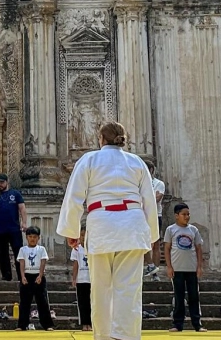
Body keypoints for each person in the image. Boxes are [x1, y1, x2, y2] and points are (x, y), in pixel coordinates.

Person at [56, 121, 158, 340]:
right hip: (132, 225)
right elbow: (149, 201)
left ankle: (103, 336)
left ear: (100, 139)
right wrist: (151, 236)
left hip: (102, 224)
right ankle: (127, 336)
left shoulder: (90, 160)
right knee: (129, 289)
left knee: (101, 288)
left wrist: (72, 231)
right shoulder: (136, 162)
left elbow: (74, 197)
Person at [164, 204, 207, 333]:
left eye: (188, 214)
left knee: (194, 296)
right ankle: (178, 324)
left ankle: (197, 324)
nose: (187, 217)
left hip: (191, 268)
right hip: (177, 268)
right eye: (184, 214)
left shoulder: (193, 230)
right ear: (176, 216)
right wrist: (169, 266)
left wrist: (199, 266)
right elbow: (167, 248)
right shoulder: (171, 230)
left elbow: (199, 248)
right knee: (179, 296)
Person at [0, 173, 26, 281]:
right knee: (3, 254)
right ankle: (6, 276)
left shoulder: (15, 194)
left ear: (7, 182)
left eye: (1, 182)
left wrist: (24, 222)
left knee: (18, 252)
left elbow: (22, 208)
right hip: (0, 229)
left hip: (14, 228)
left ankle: (21, 276)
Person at [16, 226, 55, 331]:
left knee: (42, 301)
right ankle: (22, 325)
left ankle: (47, 325)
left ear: (38, 238)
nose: (32, 239)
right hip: (27, 276)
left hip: (38, 276)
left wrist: (40, 275)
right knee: (24, 302)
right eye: (30, 236)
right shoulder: (23, 250)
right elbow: (22, 263)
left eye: (34, 237)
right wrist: (22, 276)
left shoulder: (41, 249)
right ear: (26, 237)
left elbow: (43, 262)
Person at [144, 162, 166, 276]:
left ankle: (155, 271)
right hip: (142, 216)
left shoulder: (159, 183)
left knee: (156, 243)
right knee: (143, 242)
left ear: (152, 170)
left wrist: (145, 198)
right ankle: (150, 265)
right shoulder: (139, 183)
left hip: (156, 215)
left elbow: (157, 198)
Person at [70, 225, 91, 332]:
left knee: (92, 302)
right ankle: (84, 323)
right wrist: (74, 278)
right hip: (81, 280)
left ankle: (91, 324)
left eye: (86, 235)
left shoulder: (93, 247)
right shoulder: (77, 249)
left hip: (92, 279)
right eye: (82, 235)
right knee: (82, 303)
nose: (83, 237)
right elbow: (76, 264)